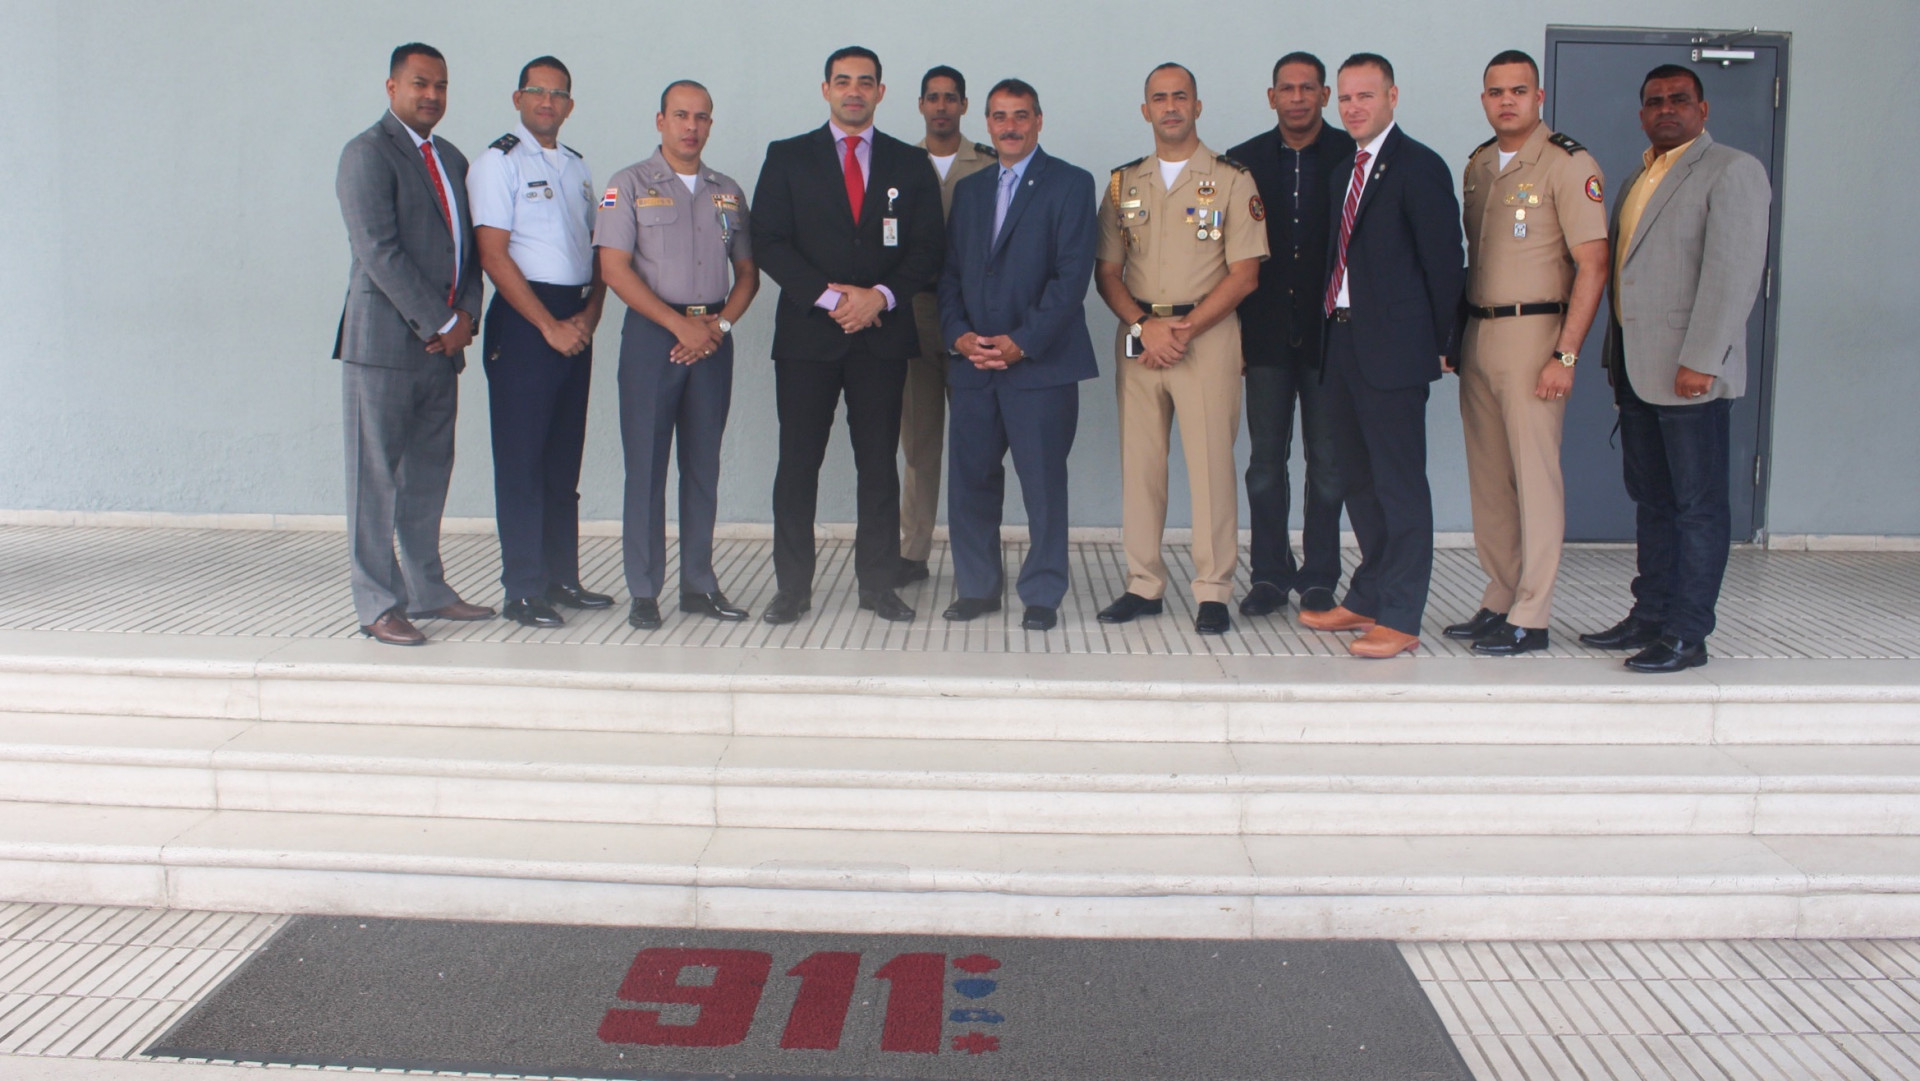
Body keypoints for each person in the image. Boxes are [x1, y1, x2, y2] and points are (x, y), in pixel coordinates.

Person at [1580, 64, 1771, 673]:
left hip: (1690, 373)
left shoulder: (1732, 170)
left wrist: (1701, 360)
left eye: (1679, 99)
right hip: (1639, 371)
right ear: (1642, 113)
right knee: (1654, 501)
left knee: (1697, 506)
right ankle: (1651, 614)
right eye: (1655, 101)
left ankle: (1688, 634)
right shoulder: (1639, 177)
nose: (1666, 109)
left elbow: (1733, 273)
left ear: (1702, 109)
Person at [750, 46, 945, 625]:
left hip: (881, 337)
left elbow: (928, 248)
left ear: (881, 92)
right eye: (843, 81)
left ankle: (878, 585)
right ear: (826, 89)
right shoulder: (787, 156)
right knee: (797, 465)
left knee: (879, 466)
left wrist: (878, 297)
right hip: (808, 338)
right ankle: (792, 589)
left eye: (865, 82)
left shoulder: (909, 162)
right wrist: (833, 298)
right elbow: (769, 240)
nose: (854, 91)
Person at [1297, 53, 1464, 658]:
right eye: (1344, 98)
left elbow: (1444, 263)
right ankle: (1368, 594)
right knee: (1356, 481)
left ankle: (1400, 614)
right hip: (1340, 343)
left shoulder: (1419, 166)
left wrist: (1446, 343)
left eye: (1365, 96)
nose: (1353, 108)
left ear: (1393, 97)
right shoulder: (1344, 169)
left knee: (1399, 485)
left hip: (1393, 352)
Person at [1094, 63, 1267, 636]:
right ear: (1145, 110)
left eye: (1180, 97)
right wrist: (1145, 325)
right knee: (1141, 466)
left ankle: (1213, 589)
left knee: (1211, 466)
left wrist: (1183, 330)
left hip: (1206, 338)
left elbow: (1245, 274)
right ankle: (1143, 584)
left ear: (1197, 106)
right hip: (1140, 336)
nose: (1170, 107)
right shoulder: (1123, 184)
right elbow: (1107, 272)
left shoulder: (1232, 179)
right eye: (1159, 98)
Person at [1447, 49, 1609, 656]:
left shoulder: (1568, 164)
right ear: (1483, 100)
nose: (1506, 101)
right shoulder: (1479, 166)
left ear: (1539, 97)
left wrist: (1565, 355)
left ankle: (1532, 613)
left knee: (1535, 479)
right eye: (1496, 92)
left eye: (1518, 90)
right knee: (1490, 478)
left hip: (1536, 333)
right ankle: (1500, 595)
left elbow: (1593, 264)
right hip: (1480, 333)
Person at [334, 43, 494, 646]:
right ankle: (377, 603)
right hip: (382, 346)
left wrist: (466, 317)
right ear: (392, 87)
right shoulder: (366, 153)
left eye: (441, 86)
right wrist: (439, 321)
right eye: (420, 83)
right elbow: (378, 251)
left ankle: (427, 589)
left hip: (442, 349)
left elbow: (470, 251)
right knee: (374, 479)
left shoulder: (451, 158)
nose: (432, 95)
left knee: (428, 476)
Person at [594, 80, 759, 630]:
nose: (691, 126)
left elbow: (748, 273)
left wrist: (720, 325)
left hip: (712, 336)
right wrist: (677, 326)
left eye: (702, 117)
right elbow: (613, 269)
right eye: (681, 115)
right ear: (660, 120)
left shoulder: (727, 191)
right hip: (653, 337)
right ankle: (644, 590)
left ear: (711, 124)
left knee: (703, 465)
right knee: (646, 466)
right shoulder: (628, 184)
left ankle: (699, 584)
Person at [937, 78, 1098, 632]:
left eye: (1021, 115)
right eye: (1000, 116)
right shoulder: (971, 190)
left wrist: (1021, 342)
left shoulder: (1071, 184)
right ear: (986, 123)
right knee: (970, 484)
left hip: (1040, 367)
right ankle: (977, 588)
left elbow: (1071, 278)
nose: (1010, 126)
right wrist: (959, 336)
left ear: (1039, 120)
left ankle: (1042, 593)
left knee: (1043, 486)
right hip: (974, 365)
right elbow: (950, 273)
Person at [467, 56, 611, 630]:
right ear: (518, 99)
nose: (547, 102)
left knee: (562, 458)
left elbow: (599, 249)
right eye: (537, 91)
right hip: (528, 320)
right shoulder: (497, 163)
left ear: (570, 105)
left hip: (576, 316)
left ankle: (561, 578)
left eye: (558, 94)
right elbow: (492, 255)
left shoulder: (576, 166)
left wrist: (590, 316)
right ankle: (523, 589)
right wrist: (549, 326)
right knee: (522, 461)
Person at [1227, 51, 1355, 619]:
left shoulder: (1351, 155)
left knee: (1328, 466)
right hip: (1264, 337)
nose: (1297, 98)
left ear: (1325, 96)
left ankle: (1321, 576)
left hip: (1331, 339)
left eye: (1308, 88)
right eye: (1287, 88)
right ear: (1271, 96)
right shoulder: (1243, 163)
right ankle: (1269, 575)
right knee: (1264, 466)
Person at [899, 66, 997, 589]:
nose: (941, 106)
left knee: (975, 445)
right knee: (919, 444)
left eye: (950, 98)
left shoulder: (988, 163)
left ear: (964, 105)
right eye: (932, 98)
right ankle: (912, 551)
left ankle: (973, 556)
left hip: (972, 315)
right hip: (914, 311)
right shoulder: (899, 162)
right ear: (920, 105)